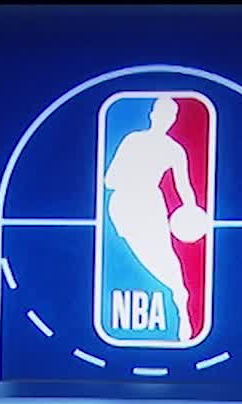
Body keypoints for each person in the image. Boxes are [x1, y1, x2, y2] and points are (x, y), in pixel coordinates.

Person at [104, 97, 199, 340]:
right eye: (160, 113)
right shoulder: (133, 140)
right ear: (152, 114)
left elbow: (184, 186)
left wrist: (192, 210)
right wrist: (134, 179)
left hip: (151, 204)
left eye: (170, 115)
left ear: (173, 120)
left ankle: (181, 300)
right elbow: (109, 179)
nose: (164, 119)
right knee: (147, 257)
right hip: (125, 204)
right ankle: (179, 294)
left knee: (165, 256)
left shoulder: (174, 150)